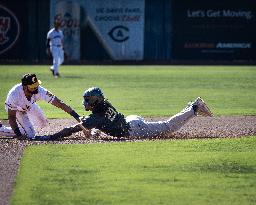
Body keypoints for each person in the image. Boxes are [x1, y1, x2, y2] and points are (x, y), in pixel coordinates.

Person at [50, 87, 213, 139]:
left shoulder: (96, 116)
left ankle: (194, 107)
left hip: (135, 128)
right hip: (130, 121)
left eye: (88, 100)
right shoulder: (104, 104)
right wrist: (91, 127)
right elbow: (97, 122)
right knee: (163, 132)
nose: (86, 103)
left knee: (168, 127)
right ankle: (192, 108)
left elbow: (71, 130)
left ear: (96, 101)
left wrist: (49, 137)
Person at [0, 73, 80, 140]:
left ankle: (27, 128)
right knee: (30, 135)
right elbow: (11, 117)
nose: (36, 89)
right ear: (24, 87)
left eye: (36, 85)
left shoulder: (40, 90)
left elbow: (59, 103)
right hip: (17, 110)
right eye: (32, 87)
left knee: (43, 123)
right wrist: (19, 135)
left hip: (29, 105)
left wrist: (78, 117)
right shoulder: (14, 95)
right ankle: (2, 129)